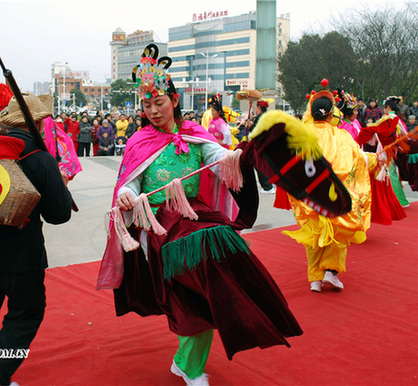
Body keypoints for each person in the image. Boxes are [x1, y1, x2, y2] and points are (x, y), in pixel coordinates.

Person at [98, 44, 302, 386]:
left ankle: (194, 356)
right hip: (161, 225)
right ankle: (192, 364)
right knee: (193, 285)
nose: (152, 110)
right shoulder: (138, 141)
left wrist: (241, 153)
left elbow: (221, 157)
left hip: (195, 214)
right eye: (146, 105)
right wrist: (127, 197)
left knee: (205, 275)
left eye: (159, 102)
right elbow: (128, 184)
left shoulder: (194, 133)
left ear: (175, 101)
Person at [0, 93, 72, 386]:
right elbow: (59, 215)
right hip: (19, 257)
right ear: (38, 123)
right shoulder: (40, 159)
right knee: (26, 314)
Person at [283, 86, 382, 292]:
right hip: (334, 193)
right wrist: (376, 158)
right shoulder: (342, 136)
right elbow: (359, 160)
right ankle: (331, 272)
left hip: (308, 195)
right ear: (331, 113)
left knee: (313, 234)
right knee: (339, 231)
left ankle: (315, 279)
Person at [245, 100, 274, 193]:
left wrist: (250, 127)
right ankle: (269, 184)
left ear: (260, 108)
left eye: (256, 107)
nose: (255, 109)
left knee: (260, 165)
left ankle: (267, 187)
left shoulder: (260, 117)